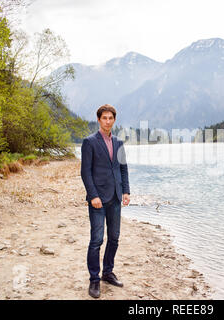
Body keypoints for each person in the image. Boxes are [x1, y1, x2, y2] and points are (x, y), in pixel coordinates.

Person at [80, 104, 130, 299]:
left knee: (115, 237)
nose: (107, 121)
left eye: (111, 118)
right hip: (98, 200)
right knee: (96, 240)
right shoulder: (89, 142)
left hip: (116, 197)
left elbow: (123, 169)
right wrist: (93, 196)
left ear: (114, 120)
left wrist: (126, 191)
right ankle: (94, 279)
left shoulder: (118, 143)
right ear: (99, 120)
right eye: (104, 118)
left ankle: (108, 273)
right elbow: (85, 172)